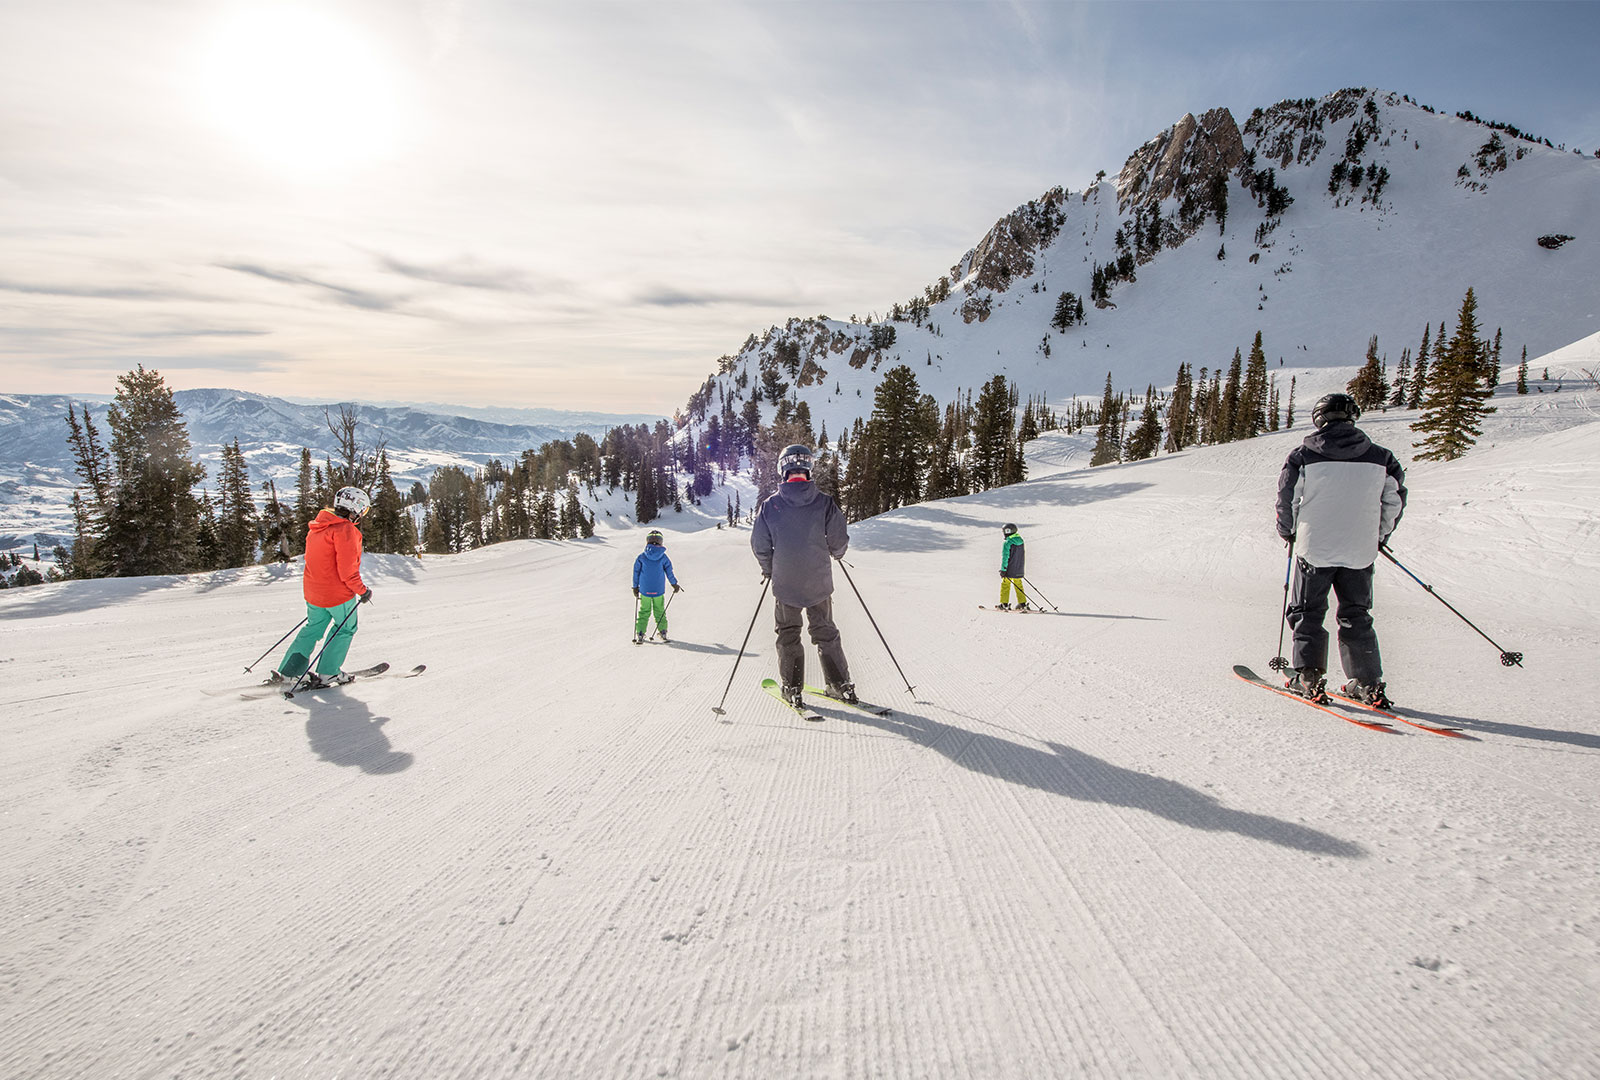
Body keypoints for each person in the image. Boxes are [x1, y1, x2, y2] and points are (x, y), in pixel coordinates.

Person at [1275, 393, 1407, 706]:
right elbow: (1394, 501)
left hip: (1315, 548)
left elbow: (1287, 497)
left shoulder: (1304, 455)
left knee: (1308, 612)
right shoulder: (1381, 458)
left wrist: (1288, 531)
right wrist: (1379, 536)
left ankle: (1308, 677)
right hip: (1360, 551)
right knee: (1356, 614)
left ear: (1319, 419)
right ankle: (1367, 683)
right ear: (1351, 417)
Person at [750, 444, 856, 707]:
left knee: (788, 633)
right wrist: (837, 552)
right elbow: (839, 540)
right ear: (808, 468)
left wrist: (768, 568)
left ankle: (793, 688)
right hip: (819, 582)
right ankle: (840, 685)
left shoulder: (770, 506)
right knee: (825, 631)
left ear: (782, 470)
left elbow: (760, 544)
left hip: (785, 584)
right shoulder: (824, 503)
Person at [275, 486, 373, 688]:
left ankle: (289, 673)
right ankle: (329, 672)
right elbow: (347, 571)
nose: (361, 515)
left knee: (313, 628)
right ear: (355, 507)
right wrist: (362, 591)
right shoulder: (346, 531)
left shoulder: (318, 527)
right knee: (345, 628)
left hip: (313, 591)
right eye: (362, 510)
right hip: (337, 594)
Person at [632, 529, 682, 643]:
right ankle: (663, 632)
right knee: (659, 611)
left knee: (644, 611)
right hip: (658, 590)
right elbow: (669, 572)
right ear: (660, 542)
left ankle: (640, 633)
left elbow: (636, 572)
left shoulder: (641, 557)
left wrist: (635, 587)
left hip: (645, 590)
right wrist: (674, 584)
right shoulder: (663, 557)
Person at [997, 523, 1030, 610]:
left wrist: (1003, 569)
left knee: (1005, 585)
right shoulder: (1020, 541)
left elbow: (1005, 557)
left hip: (1009, 569)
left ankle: (1004, 604)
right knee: (1018, 585)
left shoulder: (1008, 542)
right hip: (1019, 568)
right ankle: (1022, 604)